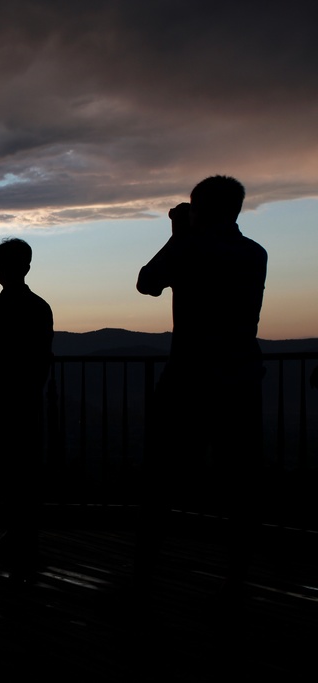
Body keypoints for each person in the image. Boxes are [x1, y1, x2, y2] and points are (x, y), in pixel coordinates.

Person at [136, 175, 267, 598]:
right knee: (240, 483)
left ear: (201, 211)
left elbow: (147, 282)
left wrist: (178, 236)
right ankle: (237, 577)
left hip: (189, 379)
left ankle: (143, 575)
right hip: (241, 378)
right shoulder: (254, 254)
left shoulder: (190, 248)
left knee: (161, 480)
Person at [0, 238, 53, 582]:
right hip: (25, 398)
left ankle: (18, 535)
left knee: (5, 468)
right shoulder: (40, 307)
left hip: (1, 398)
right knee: (23, 469)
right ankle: (23, 537)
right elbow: (41, 357)